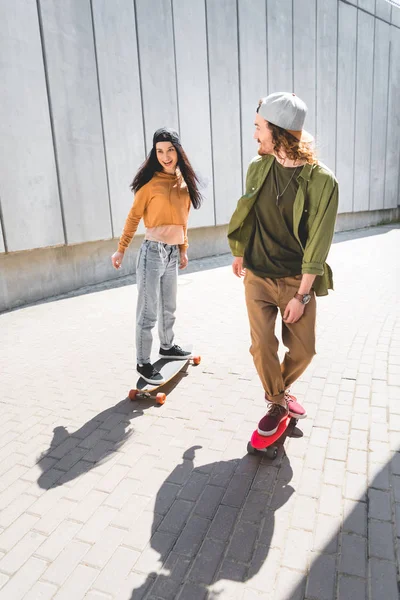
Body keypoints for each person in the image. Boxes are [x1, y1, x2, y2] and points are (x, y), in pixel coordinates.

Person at [228, 92, 339, 436]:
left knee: (304, 351)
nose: (254, 134)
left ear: (278, 130)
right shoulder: (257, 167)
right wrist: (239, 249)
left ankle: (279, 391)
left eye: (259, 127)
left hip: (296, 279)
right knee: (262, 345)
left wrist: (302, 296)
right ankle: (278, 401)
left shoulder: (322, 181)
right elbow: (248, 210)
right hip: (258, 274)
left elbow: (318, 245)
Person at [112, 128, 202, 384]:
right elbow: (133, 217)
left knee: (168, 307)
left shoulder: (184, 183)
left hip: (172, 253)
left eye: (170, 150)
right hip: (152, 252)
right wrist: (121, 249)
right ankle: (143, 362)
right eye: (160, 151)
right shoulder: (150, 184)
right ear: (155, 153)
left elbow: (184, 221)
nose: (165, 156)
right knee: (149, 311)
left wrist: (183, 249)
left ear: (178, 151)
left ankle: (167, 347)